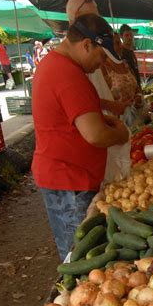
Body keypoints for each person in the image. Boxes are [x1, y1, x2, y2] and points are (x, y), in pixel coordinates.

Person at [31, 14, 129, 260]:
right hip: (69, 182)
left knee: (81, 248)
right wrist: (120, 135)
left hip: (67, 178)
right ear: (87, 44)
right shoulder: (68, 75)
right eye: (100, 56)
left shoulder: (57, 65)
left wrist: (103, 113)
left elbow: (76, 112)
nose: (101, 64)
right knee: (79, 254)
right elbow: (95, 135)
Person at [101, 32, 139, 122]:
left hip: (134, 117)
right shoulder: (103, 67)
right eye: (117, 43)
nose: (121, 46)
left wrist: (138, 97)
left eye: (120, 42)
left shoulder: (125, 64)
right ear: (108, 47)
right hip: (117, 121)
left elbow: (136, 89)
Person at [119, 24, 141, 89]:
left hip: (137, 87)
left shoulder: (131, 51)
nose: (130, 38)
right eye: (127, 35)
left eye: (131, 35)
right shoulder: (121, 53)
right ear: (121, 36)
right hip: (129, 88)